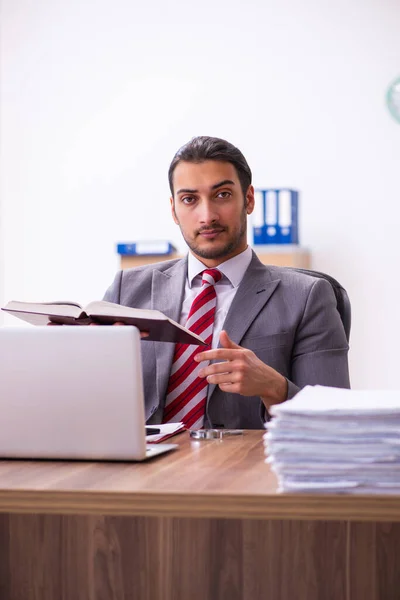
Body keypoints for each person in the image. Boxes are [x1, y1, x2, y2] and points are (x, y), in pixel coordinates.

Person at [104, 136, 350, 429]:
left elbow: (335, 422)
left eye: (221, 195)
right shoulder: (127, 289)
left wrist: (275, 388)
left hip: (244, 469)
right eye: (189, 199)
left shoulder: (307, 296)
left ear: (248, 199)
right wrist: (72, 356)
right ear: (173, 210)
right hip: (146, 465)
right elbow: (90, 400)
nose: (207, 216)